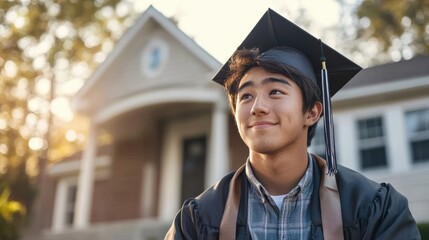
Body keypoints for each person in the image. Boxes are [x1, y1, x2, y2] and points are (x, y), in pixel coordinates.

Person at [165, 8, 420, 240]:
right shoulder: (197, 220)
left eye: (275, 91)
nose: (257, 107)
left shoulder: (374, 209)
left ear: (311, 112)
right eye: (246, 96)